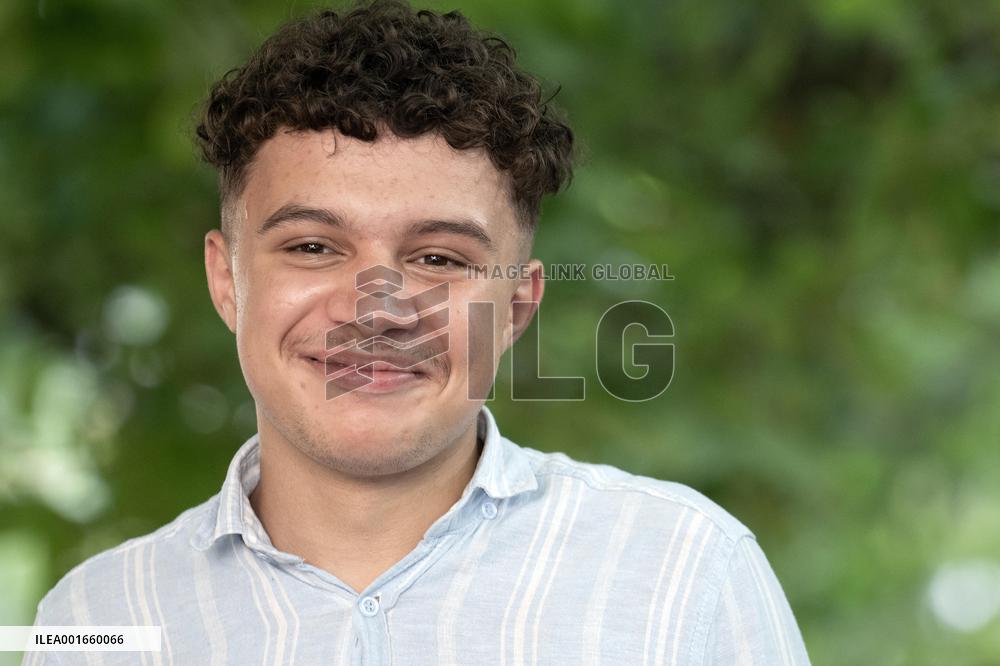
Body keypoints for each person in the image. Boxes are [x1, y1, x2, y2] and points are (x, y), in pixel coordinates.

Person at [25, 1, 810, 663]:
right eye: (313, 246)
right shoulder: (94, 620)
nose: (377, 306)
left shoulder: (685, 574)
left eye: (438, 257)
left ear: (516, 308)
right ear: (227, 278)